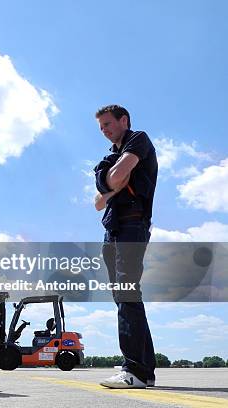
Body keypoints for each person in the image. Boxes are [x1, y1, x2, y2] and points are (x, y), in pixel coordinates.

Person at [93, 105, 157, 389]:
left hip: (133, 224)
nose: (104, 130)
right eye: (101, 127)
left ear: (124, 120)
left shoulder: (138, 139)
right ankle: (147, 369)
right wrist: (115, 180)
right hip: (113, 231)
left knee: (127, 292)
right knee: (125, 297)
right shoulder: (109, 157)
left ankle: (135, 370)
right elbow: (97, 202)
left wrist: (111, 183)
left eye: (108, 124)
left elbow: (113, 181)